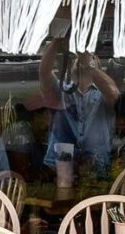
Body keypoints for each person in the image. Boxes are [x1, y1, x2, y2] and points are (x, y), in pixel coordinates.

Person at [40, 36, 120, 178]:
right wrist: (58, 39)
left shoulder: (103, 96)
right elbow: (44, 73)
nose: (81, 57)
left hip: (96, 169)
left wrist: (88, 63)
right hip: (59, 168)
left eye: (92, 57)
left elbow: (114, 94)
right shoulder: (62, 91)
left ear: (98, 68)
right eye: (76, 58)